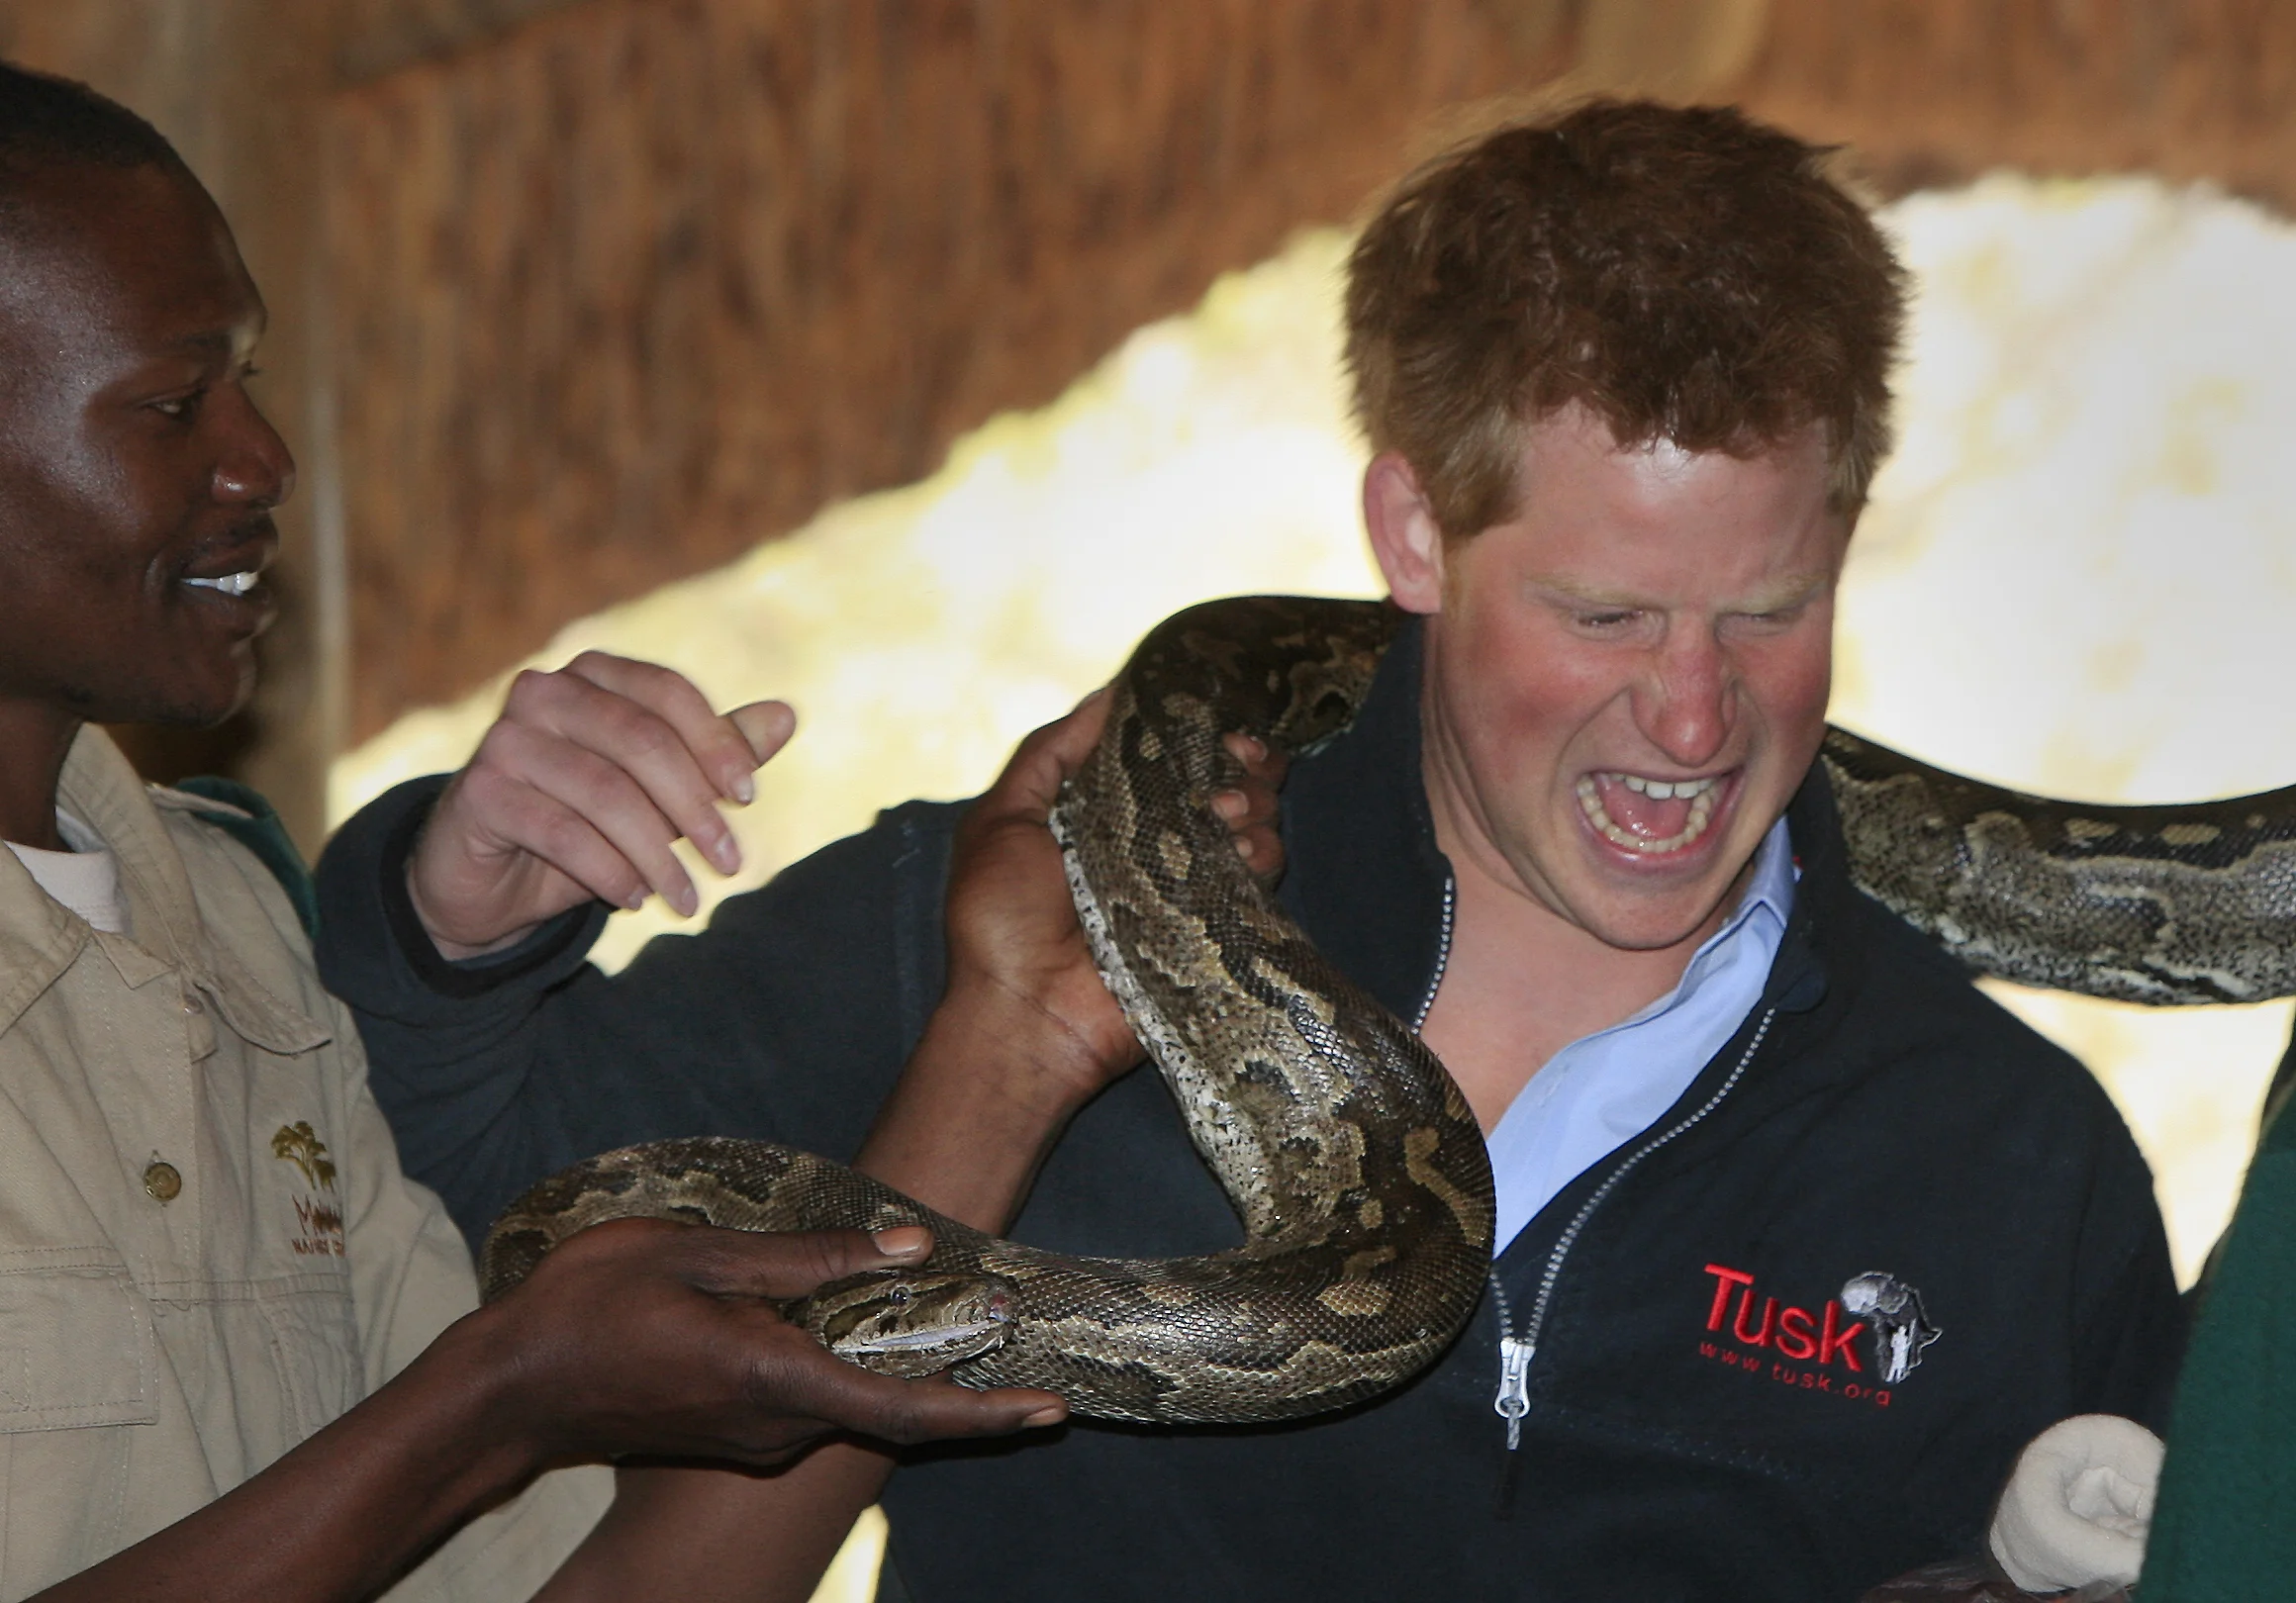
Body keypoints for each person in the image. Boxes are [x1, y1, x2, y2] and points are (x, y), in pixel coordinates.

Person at [317, 101, 2185, 1600]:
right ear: (1415, 533)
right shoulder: (1015, 924)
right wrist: (457, 926)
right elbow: (416, 1211)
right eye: (1607, 617)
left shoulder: (2015, 1165)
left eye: (1767, 614)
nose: (1694, 724)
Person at [0, 61, 1071, 1603]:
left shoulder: (235, 937)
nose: (263, 458)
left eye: (247, 378)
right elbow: (484, 1407)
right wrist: (497, 1401)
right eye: (174, 404)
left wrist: (1015, 1036)